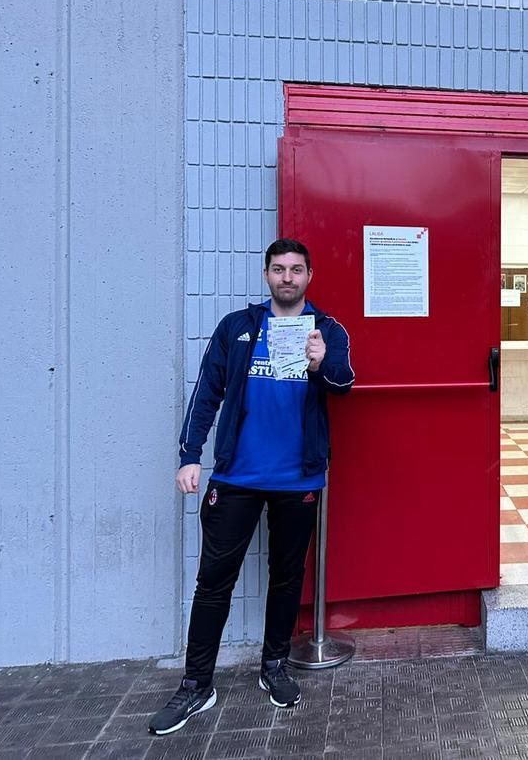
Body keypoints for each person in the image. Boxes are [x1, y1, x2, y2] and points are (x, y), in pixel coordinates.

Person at [148, 238, 355, 736]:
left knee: (286, 579)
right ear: (267, 275)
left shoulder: (326, 330)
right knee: (213, 582)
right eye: (279, 270)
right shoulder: (238, 328)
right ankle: (197, 685)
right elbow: (206, 392)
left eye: (297, 270)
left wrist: (321, 364)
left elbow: (345, 383)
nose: (288, 278)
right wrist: (188, 457)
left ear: (310, 275)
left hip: (298, 478)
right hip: (236, 476)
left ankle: (274, 667)